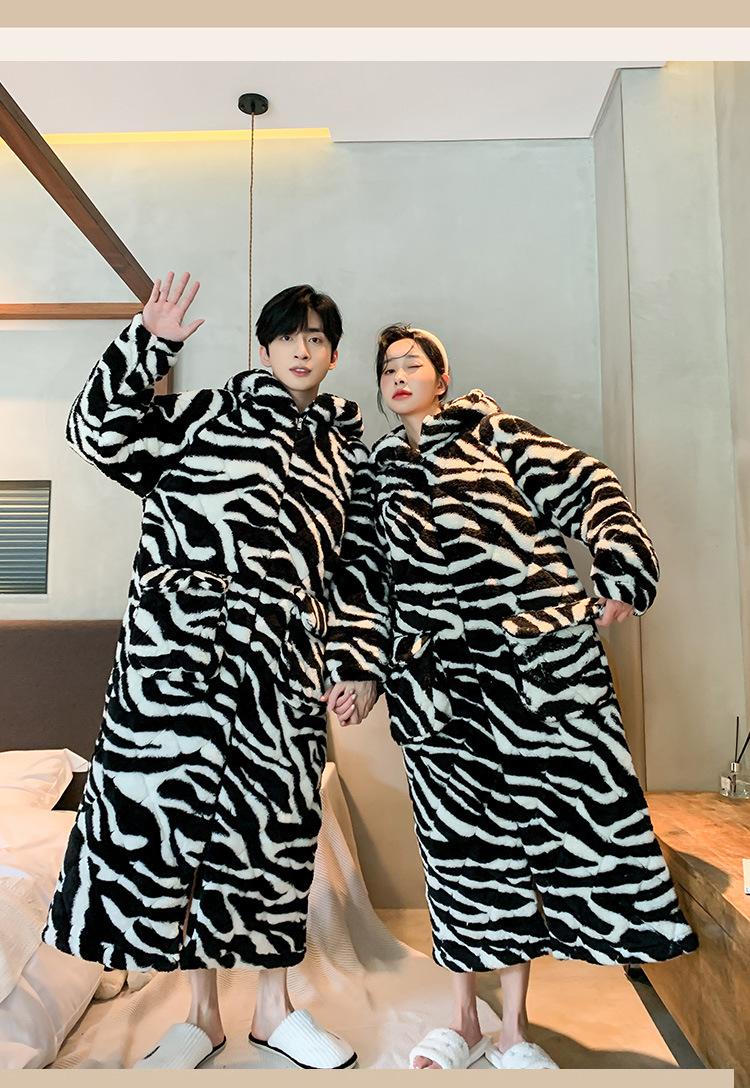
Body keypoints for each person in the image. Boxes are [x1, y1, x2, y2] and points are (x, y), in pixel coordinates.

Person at [323, 324, 697, 1071]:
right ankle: (463, 1020)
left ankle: (514, 1030)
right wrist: (361, 668)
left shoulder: (496, 435)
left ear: (442, 378)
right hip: (437, 689)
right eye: (387, 368)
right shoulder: (375, 475)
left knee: (540, 843)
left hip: (534, 677)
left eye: (413, 363)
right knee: (462, 855)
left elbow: (589, 486)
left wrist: (621, 569)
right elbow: (362, 582)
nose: (399, 375)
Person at [43, 272, 362, 1070]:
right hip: (177, 660)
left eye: (316, 338)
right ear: (264, 348)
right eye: (287, 335)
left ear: (332, 356)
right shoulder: (207, 414)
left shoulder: (343, 455)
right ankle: (201, 1015)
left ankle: (275, 1011)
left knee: (274, 833)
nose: (301, 349)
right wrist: (148, 343)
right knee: (178, 828)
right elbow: (98, 431)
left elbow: (356, 572)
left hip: (281, 665)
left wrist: (357, 663)